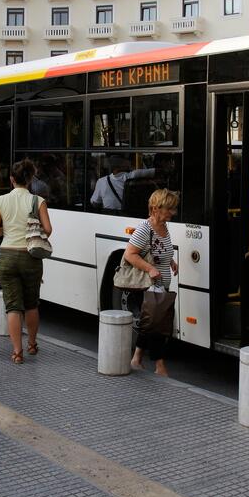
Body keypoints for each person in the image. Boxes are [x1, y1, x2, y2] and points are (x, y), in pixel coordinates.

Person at [0, 159, 53, 364]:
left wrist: (6, 232)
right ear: (30, 180)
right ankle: (32, 344)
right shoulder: (38, 201)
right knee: (31, 304)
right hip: (30, 256)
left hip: (7, 255)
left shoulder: (0, 201)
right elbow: (48, 230)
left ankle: (17, 352)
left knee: (13, 306)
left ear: (11, 179)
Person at [123, 189, 179, 377]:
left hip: (161, 285)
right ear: (156, 208)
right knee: (157, 327)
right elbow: (129, 254)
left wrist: (169, 260)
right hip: (148, 286)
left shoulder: (163, 225)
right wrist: (150, 269)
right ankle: (160, 366)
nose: (173, 212)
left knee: (150, 324)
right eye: (169, 208)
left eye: (174, 208)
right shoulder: (145, 228)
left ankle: (136, 358)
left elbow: (159, 250)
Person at [90, 157, 155, 212]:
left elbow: (95, 203)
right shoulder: (132, 176)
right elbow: (154, 171)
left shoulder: (101, 181)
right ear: (123, 166)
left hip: (109, 216)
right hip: (129, 214)